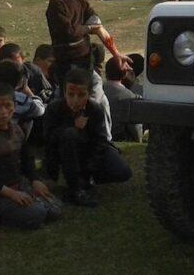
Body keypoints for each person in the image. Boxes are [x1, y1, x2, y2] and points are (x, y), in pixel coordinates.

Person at [0, 83, 62, 230]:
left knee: (55, 210)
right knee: (36, 214)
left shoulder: (17, 130)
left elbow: (27, 160)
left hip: (19, 184)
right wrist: (12, 194)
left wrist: (35, 180)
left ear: (15, 106)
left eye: (8, 106)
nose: (4, 112)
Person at [43, 68, 132, 207]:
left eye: (81, 95)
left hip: (88, 152)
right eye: (70, 94)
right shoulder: (54, 108)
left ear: (89, 94)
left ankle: (87, 180)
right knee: (69, 134)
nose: (75, 100)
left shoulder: (95, 109)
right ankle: (75, 188)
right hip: (64, 152)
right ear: (64, 93)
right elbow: (49, 139)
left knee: (122, 172)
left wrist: (90, 168)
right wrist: (72, 125)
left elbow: (100, 141)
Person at [45, 0, 131, 90]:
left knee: (97, 96)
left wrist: (116, 54)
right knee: (72, 98)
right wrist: (89, 28)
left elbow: (98, 27)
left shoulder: (81, 2)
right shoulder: (57, 4)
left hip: (85, 61)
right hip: (68, 64)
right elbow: (70, 32)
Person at [0, 58, 45, 132]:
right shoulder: (20, 99)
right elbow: (40, 110)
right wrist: (28, 92)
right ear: (20, 82)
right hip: (10, 137)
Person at [103, 57, 142, 142]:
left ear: (106, 73)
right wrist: (139, 139)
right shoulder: (129, 96)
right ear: (124, 75)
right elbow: (135, 127)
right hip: (119, 138)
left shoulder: (98, 91)